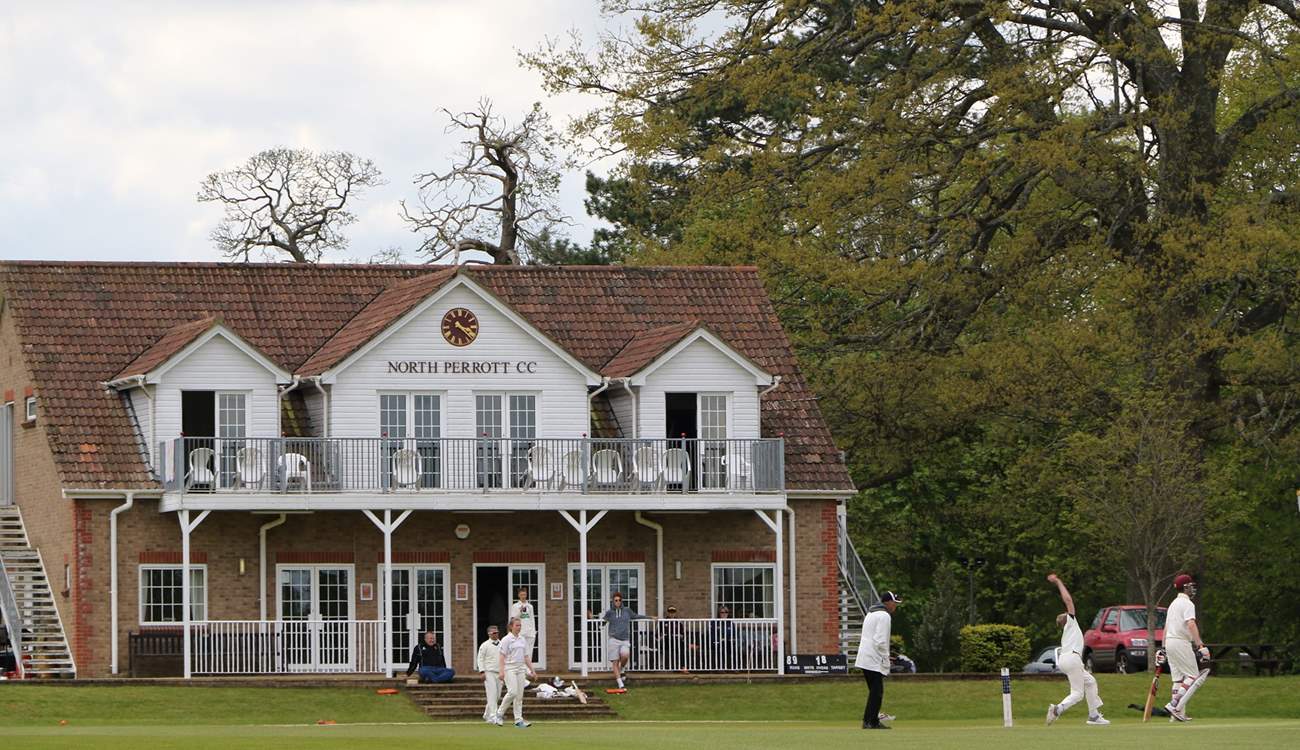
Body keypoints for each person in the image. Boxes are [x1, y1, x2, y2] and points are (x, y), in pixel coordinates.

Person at [1044, 573, 1109, 726]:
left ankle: (1093, 716)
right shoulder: (1071, 622)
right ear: (1067, 617)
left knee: (1091, 682)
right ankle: (1057, 709)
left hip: (1066, 659)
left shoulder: (1068, 630)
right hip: (1072, 659)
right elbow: (1068, 599)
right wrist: (1058, 581)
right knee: (1078, 693)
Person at [1164, 573, 1211, 722]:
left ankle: (1176, 716)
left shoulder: (1173, 604)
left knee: (1178, 679)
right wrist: (1200, 645)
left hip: (1170, 642)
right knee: (1192, 676)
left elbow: (1166, 627)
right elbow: (1191, 624)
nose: (1192, 588)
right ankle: (1174, 705)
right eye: (1190, 586)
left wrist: (1163, 648)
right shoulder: (1188, 604)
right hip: (1180, 642)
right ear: (1185, 587)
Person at [589, 591, 654, 689]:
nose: (617, 602)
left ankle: (622, 668)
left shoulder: (627, 611)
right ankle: (620, 683)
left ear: (621, 601)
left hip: (625, 639)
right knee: (615, 662)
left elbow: (636, 616)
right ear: (613, 601)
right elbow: (602, 623)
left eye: (619, 600)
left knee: (625, 656)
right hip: (613, 639)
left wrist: (650, 618)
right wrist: (592, 619)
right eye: (616, 600)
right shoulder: (610, 612)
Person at [855, 590, 900, 730]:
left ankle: (871, 720)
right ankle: (869, 722)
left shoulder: (871, 613)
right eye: (894, 603)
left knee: (875, 691)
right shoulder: (884, 616)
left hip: (865, 657)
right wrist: (886, 659)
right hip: (873, 659)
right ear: (888, 602)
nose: (895, 606)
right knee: (877, 692)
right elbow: (880, 641)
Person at [492, 616, 538, 728]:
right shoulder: (506, 639)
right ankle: (499, 714)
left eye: (520, 625)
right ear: (511, 627)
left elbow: (526, 656)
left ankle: (518, 720)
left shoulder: (522, 639)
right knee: (512, 692)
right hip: (509, 668)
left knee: (519, 696)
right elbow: (502, 656)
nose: (519, 627)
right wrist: (501, 672)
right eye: (517, 625)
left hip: (520, 668)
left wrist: (532, 671)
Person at [477, 625, 502, 723]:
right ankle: (493, 716)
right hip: (489, 672)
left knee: (497, 695)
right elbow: (480, 658)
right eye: (494, 633)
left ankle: (487, 714)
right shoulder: (485, 645)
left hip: (499, 672)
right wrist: (482, 671)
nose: (496, 634)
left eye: (497, 632)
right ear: (489, 634)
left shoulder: (502, 644)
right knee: (492, 694)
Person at [509, 587, 537, 659]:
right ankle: (521, 668)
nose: (523, 596)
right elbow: (513, 619)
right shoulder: (515, 606)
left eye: (524, 594)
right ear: (518, 595)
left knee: (529, 652)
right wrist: (519, 611)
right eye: (521, 595)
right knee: (520, 651)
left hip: (529, 632)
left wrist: (533, 631)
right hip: (520, 632)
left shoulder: (530, 606)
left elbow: (532, 619)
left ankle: (528, 669)